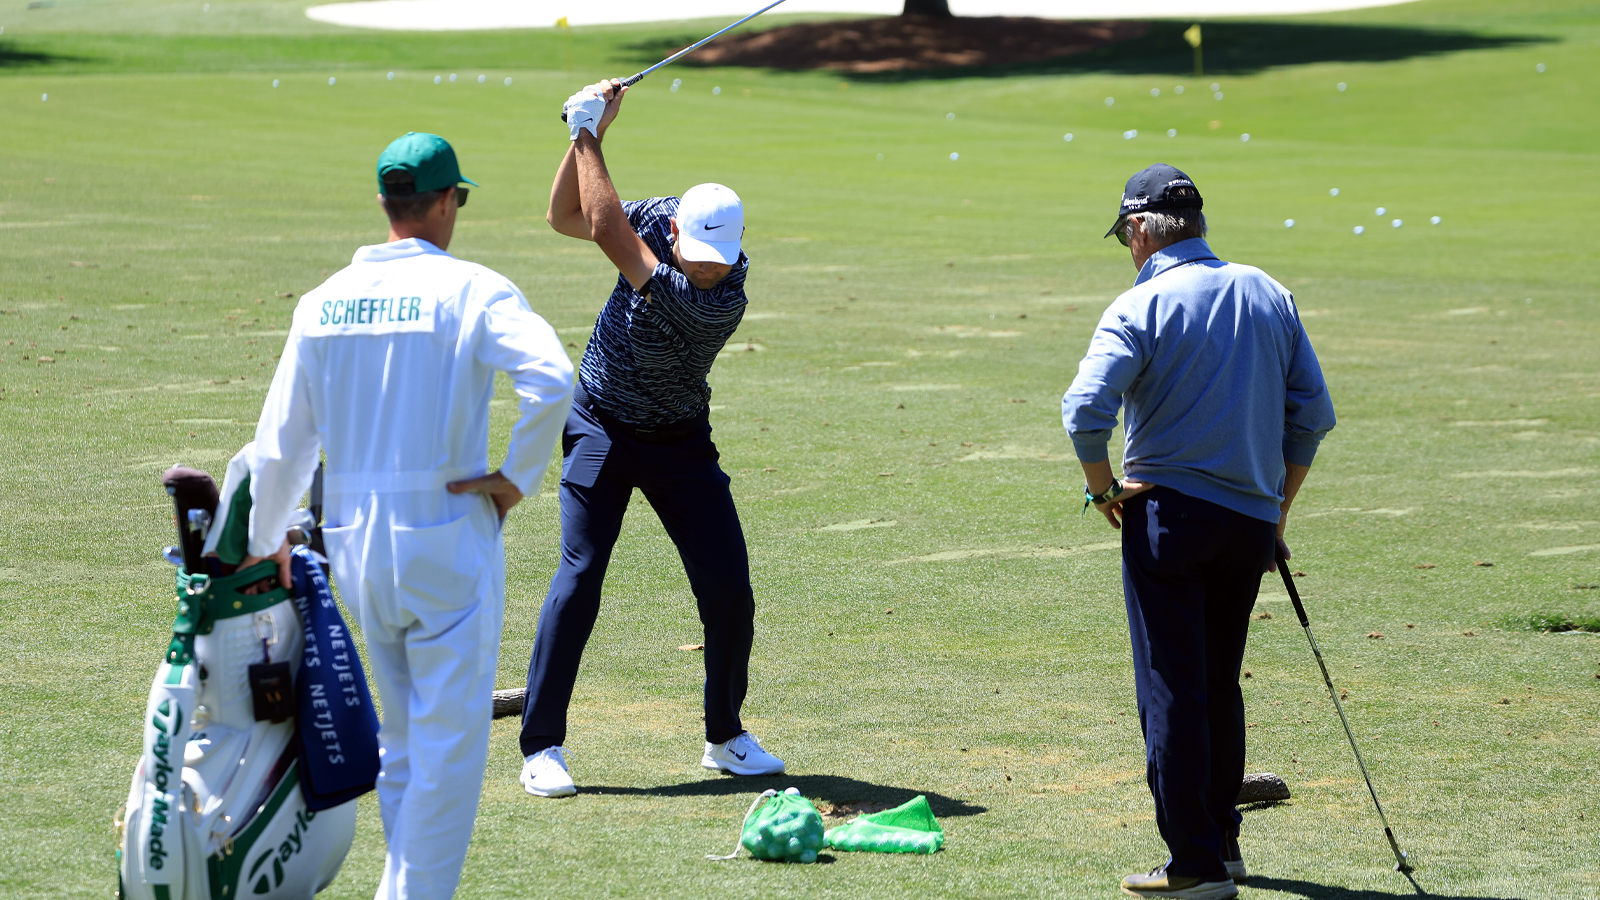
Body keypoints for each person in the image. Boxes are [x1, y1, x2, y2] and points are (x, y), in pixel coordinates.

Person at [240, 132, 574, 899]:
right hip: (446, 535)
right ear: (449, 199)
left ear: (386, 203)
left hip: (356, 548)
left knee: (402, 740)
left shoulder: (323, 301)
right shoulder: (472, 288)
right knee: (448, 752)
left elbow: (280, 448)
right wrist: (515, 478)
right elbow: (551, 378)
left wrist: (265, 545)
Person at [1062, 164, 1336, 900]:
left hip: (1167, 520)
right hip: (1248, 522)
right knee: (1218, 683)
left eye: (1126, 234)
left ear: (1143, 230)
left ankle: (1193, 865)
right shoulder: (1267, 291)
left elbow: (1085, 408)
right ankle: (1221, 842)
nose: (1127, 247)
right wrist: (1272, 514)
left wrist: (1103, 491)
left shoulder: (1140, 302)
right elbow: (1312, 416)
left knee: (1172, 690)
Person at [515, 79, 784, 799]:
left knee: (729, 587)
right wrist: (581, 138)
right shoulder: (661, 219)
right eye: (695, 251)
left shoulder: (721, 298)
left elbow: (608, 232)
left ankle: (724, 736)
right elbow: (569, 215)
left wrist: (589, 131)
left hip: (678, 440)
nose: (706, 265)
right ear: (675, 232)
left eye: (717, 257)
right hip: (600, 420)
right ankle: (541, 746)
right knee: (580, 577)